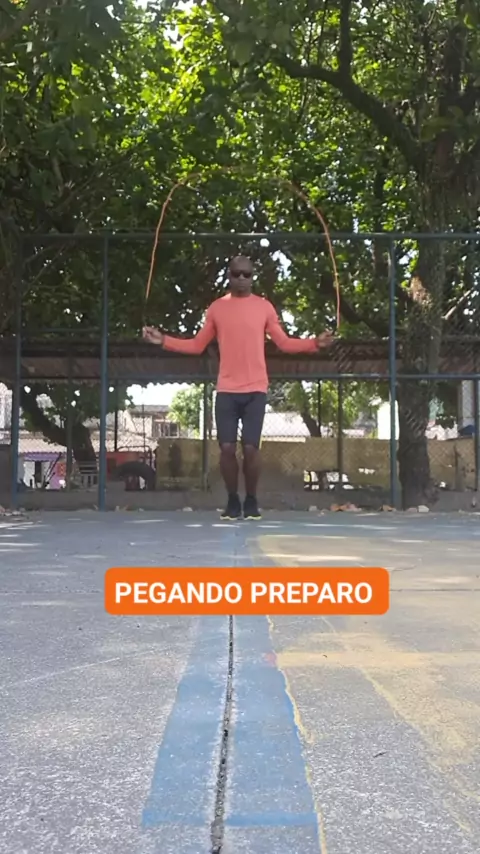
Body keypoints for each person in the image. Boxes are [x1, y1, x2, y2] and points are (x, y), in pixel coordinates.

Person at [143, 255, 334, 520]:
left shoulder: (264, 307)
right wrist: (163, 340)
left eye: (247, 274)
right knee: (226, 450)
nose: (242, 278)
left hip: (256, 389)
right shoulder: (217, 308)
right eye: (236, 274)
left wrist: (314, 343)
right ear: (229, 276)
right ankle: (233, 500)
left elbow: (284, 343)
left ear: (253, 277)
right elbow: (197, 345)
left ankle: (251, 500)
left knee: (252, 449)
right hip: (227, 390)